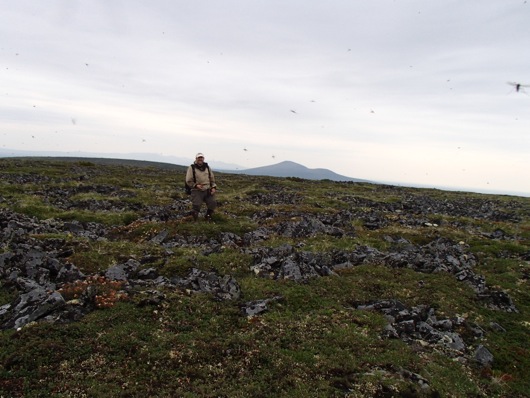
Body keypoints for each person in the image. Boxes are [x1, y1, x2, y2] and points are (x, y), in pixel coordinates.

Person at [185, 153, 217, 221]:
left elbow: (212, 179)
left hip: (208, 189)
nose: (200, 159)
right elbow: (188, 180)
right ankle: (194, 220)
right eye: (199, 158)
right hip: (197, 190)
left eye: (201, 157)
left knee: (213, 203)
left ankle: (208, 216)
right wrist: (196, 185)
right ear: (196, 159)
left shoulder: (207, 167)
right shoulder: (192, 167)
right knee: (196, 206)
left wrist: (213, 187)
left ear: (203, 159)